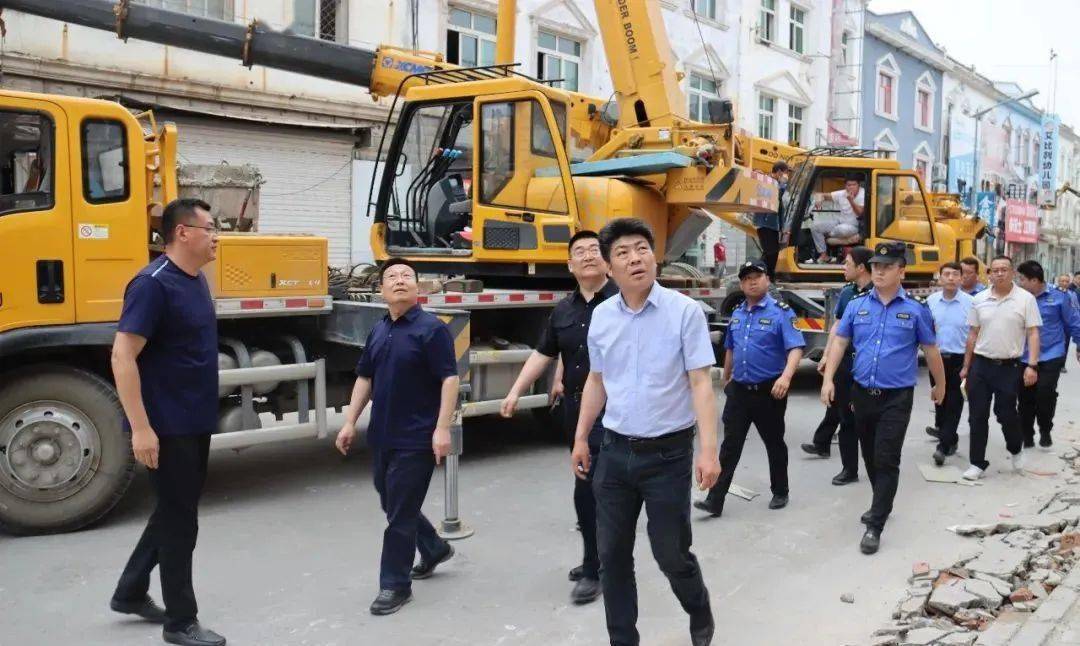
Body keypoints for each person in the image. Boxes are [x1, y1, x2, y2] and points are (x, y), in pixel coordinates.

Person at [572, 217, 720, 646]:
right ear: (608, 267)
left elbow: (700, 384)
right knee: (612, 558)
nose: (634, 258)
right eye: (622, 252)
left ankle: (698, 606)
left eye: (641, 248)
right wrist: (582, 436)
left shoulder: (684, 312)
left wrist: (708, 451)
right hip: (615, 453)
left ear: (655, 256)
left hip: (668, 457)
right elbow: (597, 381)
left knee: (670, 554)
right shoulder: (601, 317)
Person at [110, 198, 226, 646]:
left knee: (175, 510)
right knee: (181, 522)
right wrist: (141, 428)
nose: (216, 236)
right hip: (167, 424)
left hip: (195, 419)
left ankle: (130, 590)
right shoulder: (152, 284)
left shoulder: (196, 280)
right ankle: (180, 622)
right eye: (210, 228)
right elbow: (123, 356)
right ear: (183, 233)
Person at [335, 258, 460, 616]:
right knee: (389, 498)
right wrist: (349, 422)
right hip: (383, 435)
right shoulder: (379, 329)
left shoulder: (432, 329)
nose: (400, 280)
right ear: (381, 290)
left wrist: (441, 428)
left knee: (399, 514)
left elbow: (449, 379)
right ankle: (433, 547)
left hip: (417, 437)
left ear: (418, 287)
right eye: (392, 276)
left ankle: (394, 585)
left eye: (407, 276)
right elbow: (364, 378)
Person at [500, 230, 616, 605]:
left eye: (594, 251)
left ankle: (597, 565)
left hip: (616, 410)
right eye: (578, 252)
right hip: (576, 408)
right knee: (585, 483)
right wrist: (516, 390)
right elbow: (545, 352)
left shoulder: (624, 302)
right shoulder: (563, 311)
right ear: (569, 264)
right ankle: (595, 559)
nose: (586, 256)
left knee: (598, 487)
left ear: (606, 261)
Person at [820, 242, 945, 555]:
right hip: (862, 394)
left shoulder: (916, 310)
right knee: (871, 457)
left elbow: (931, 351)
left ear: (901, 271)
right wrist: (827, 380)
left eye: (887, 266)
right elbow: (838, 343)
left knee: (887, 457)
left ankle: (875, 524)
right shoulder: (857, 305)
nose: (879, 270)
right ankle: (883, 502)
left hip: (896, 397)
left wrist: (940, 385)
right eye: (875, 265)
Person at [694, 259, 804, 517]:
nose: (752, 281)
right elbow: (731, 348)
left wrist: (786, 378)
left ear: (767, 280)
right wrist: (727, 378)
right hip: (740, 391)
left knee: (774, 443)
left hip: (769, 391)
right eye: (746, 278)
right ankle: (714, 500)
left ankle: (780, 491)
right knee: (730, 446)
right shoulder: (739, 313)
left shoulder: (781, 312)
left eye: (757, 276)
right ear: (741, 284)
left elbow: (796, 348)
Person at [960, 255, 1042, 481]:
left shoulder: (1025, 299)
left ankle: (1015, 448)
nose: (999, 273)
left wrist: (1032, 365)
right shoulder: (979, 299)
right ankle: (977, 463)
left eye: (1004, 269)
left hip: (1009, 366)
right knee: (976, 415)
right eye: (995, 270)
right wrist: (966, 366)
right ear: (989, 274)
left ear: (1012, 272)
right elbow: (973, 334)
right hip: (981, 365)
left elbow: (1033, 333)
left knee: (1006, 413)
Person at [800, 246, 874, 486]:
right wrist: (827, 355)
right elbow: (838, 328)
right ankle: (849, 469)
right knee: (846, 420)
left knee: (870, 423)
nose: (844, 267)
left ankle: (877, 469)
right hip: (846, 364)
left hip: (869, 367)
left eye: (848, 263)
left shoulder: (880, 294)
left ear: (861, 267)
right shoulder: (846, 294)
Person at [1016, 261, 1080, 448]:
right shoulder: (1019, 297)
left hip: (1051, 354)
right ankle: (1027, 434)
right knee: (1025, 397)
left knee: (1044, 394)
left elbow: (1073, 322)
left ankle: (1045, 429)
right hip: (1024, 355)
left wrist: (1079, 345)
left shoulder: (1060, 296)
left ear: (1035, 280)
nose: (1019, 282)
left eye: (1022, 279)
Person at [925, 262, 974, 465]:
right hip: (936, 360)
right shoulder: (931, 301)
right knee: (940, 403)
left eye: (956, 274)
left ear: (961, 278)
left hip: (959, 361)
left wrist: (968, 365)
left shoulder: (971, 303)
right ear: (940, 277)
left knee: (954, 403)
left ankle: (943, 447)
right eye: (947, 274)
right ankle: (950, 438)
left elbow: (974, 334)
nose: (951, 278)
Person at [810, 174, 864, 263]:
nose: (851, 187)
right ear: (845, 186)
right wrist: (819, 199)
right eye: (848, 185)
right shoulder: (842, 193)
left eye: (854, 185)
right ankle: (824, 255)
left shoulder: (863, 194)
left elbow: (860, 213)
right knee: (815, 227)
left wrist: (851, 200)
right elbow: (822, 194)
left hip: (853, 226)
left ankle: (827, 234)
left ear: (858, 185)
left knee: (843, 230)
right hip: (839, 222)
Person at [754, 161, 790, 279]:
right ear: (779, 172)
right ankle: (760, 274)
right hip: (765, 223)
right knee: (771, 253)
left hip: (772, 224)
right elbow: (775, 195)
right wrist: (783, 184)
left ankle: (763, 275)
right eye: (785, 173)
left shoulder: (775, 183)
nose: (787, 175)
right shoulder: (768, 181)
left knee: (771, 253)